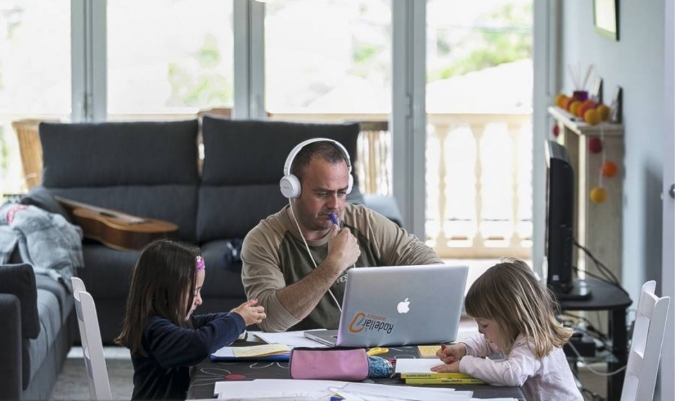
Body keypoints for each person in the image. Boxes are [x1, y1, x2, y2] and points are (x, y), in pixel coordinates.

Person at [241, 139, 441, 332]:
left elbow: (433, 269)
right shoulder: (262, 240)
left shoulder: (364, 221)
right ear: (293, 190)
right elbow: (270, 320)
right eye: (322, 193)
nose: (335, 205)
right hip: (301, 358)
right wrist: (334, 265)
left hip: (371, 346)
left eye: (342, 192)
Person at [115, 239, 266, 400]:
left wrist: (233, 315)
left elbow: (201, 322)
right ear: (166, 292)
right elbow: (200, 344)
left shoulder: (170, 321)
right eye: (195, 292)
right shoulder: (154, 329)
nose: (199, 300)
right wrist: (237, 320)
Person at [431, 258, 582, 401]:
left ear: (511, 317)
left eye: (484, 325)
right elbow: (487, 342)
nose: (480, 331)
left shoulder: (532, 342)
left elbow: (512, 374)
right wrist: (462, 349)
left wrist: (464, 364)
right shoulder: (512, 332)